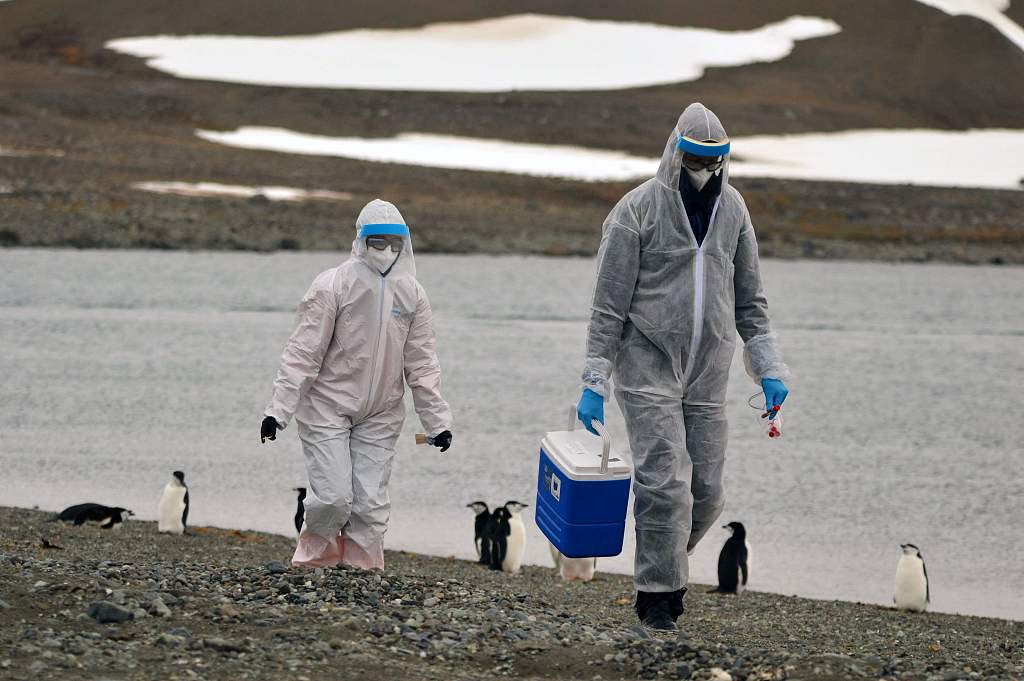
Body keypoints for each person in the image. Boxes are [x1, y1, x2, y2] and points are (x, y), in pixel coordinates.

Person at [576, 103, 790, 630]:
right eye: (695, 158)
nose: (705, 170)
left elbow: (751, 301)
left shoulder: (734, 211)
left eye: (715, 161)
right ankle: (657, 598)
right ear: (675, 153)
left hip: (708, 372)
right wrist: (594, 382)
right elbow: (607, 306)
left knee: (707, 493)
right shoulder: (636, 211)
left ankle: (668, 563)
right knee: (664, 481)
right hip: (646, 364)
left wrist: (768, 367)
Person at [261, 198, 453, 570]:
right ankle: (314, 563)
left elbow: (423, 363)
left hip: (381, 410)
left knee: (369, 502)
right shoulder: (333, 285)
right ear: (362, 240)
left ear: (405, 244)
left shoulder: (412, 294)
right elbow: (303, 352)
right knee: (333, 497)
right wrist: (277, 411)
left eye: (394, 243)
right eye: (378, 241)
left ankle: (362, 569)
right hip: (327, 405)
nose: (386, 250)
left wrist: (437, 422)